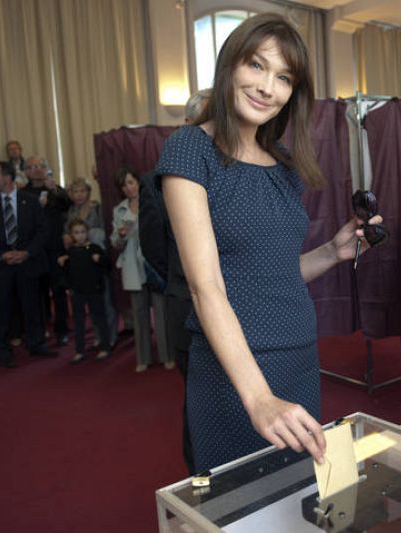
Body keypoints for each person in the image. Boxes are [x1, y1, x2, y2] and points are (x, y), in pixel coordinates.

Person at [158, 13, 381, 471]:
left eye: (283, 78)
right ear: (230, 66)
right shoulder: (189, 149)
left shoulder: (283, 166)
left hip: (299, 353)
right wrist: (258, 397)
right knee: (239, 507)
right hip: (236, 370)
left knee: (295, 496)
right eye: (256, 66)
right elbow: (207, 287)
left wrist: (331, 253)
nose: (267, 87)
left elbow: (271, 272)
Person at [140, 89, 210, 473]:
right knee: (198, 402)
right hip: (187, 307)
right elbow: (154, 248)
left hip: (237, 307)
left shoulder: (232, 173)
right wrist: (186, 280)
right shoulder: (155, 182)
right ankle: (200, 481)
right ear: (186, 126)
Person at [0, 162, 56, 367]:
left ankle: (36, 343)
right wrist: (2, 255)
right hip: (0, 265)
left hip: (27, 263)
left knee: (32, 305)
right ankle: (2, 350)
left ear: (7, 178)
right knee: (0, 309)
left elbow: (42, 231)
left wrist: (27, 252)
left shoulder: (30, 201)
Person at [110, 168, 169, 372]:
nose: (128, 187)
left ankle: (166, 355)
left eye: (131, 182)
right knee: (139, 313)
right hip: (132, 267)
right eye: (124, 185)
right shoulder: (119, 210)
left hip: (155, 263)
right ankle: (143, 358)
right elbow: (115, 243)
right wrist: (121, 235)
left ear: (138, 182)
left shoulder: (153, 200)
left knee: (161, 313)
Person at [64, 177, 118, 348]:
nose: (79, 195)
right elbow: (67, 237)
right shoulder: (71, 212)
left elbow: (106, 232)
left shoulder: (97, 208)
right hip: (82, 264)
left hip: (97, 260)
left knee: (105, 301)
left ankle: (111, 335)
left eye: (82, 191)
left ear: (88, 191)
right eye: (75, 191)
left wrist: (91, 235)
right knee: (90, 304)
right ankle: (98, 335)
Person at [24, 156, 71, 346]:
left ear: (47, 169)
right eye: (32, 167)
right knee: (38, 292)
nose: (37, 170)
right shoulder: (22, 193)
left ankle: (62, 330)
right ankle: (41, 329)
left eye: (41, 166)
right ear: (26, 171)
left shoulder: (54, 189)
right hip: (34, 250)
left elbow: (68, 205)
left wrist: (54, 190)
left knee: (58, 290)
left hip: (55, 247)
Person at [58, 219, 111, 363]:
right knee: (78, 321)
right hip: (78, 292)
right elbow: (68, 272)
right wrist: (69, 287)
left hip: (94, 290)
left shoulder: (94, 248)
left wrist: (99, 259)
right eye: (76, 233)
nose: (80, 236)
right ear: (71, 235)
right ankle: (80, 350)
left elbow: (107, 263)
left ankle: (105, 347)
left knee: (99, 319)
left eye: (82, 232)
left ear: (87, 233)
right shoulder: (71, 251)